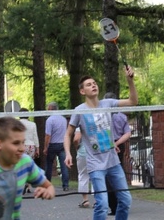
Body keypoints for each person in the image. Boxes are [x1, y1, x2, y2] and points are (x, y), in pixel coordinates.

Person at [63, 65, 138, 220]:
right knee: (102, 204)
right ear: (82, 91)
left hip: (113, 162)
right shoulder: (79, 110)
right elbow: (68, 134)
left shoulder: (108, 103)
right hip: (95, 165)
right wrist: (68, 153)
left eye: (95, 83)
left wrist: (130, 81)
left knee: (125, 200)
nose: (93, 85)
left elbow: (133, 101)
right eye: (89, 84)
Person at [104, 92, 132, 216]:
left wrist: (111, 143)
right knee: (118, 174)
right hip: (119, 145)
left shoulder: (102, 116)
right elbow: (128, 133)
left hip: (106, 145)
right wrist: (117, 143)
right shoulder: (122, 116)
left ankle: (113, 206)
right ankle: (122, 202)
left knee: (108, 176)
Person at [43, 102, 69, 191]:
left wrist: (46, 147)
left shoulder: (50, 120)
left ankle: (47, 184)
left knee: (49, 165)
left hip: (53, 144)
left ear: (50, 109)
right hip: (62, 144)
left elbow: (48, 135)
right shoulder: (63, 119)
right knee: (64, 165)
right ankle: (65, 185)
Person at [19, 108, 40, 194]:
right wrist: (37, 148)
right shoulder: (33, 124)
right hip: (31, 146)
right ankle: (28, 185)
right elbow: (35, 136)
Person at [74, 127, 91, 209]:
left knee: (83, 175)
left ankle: (85, 200)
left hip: (83, 153)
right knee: (96, 175)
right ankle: (97, 201)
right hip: (94, 152)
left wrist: (77, 147)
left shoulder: (80, 124)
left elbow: (76, 139)